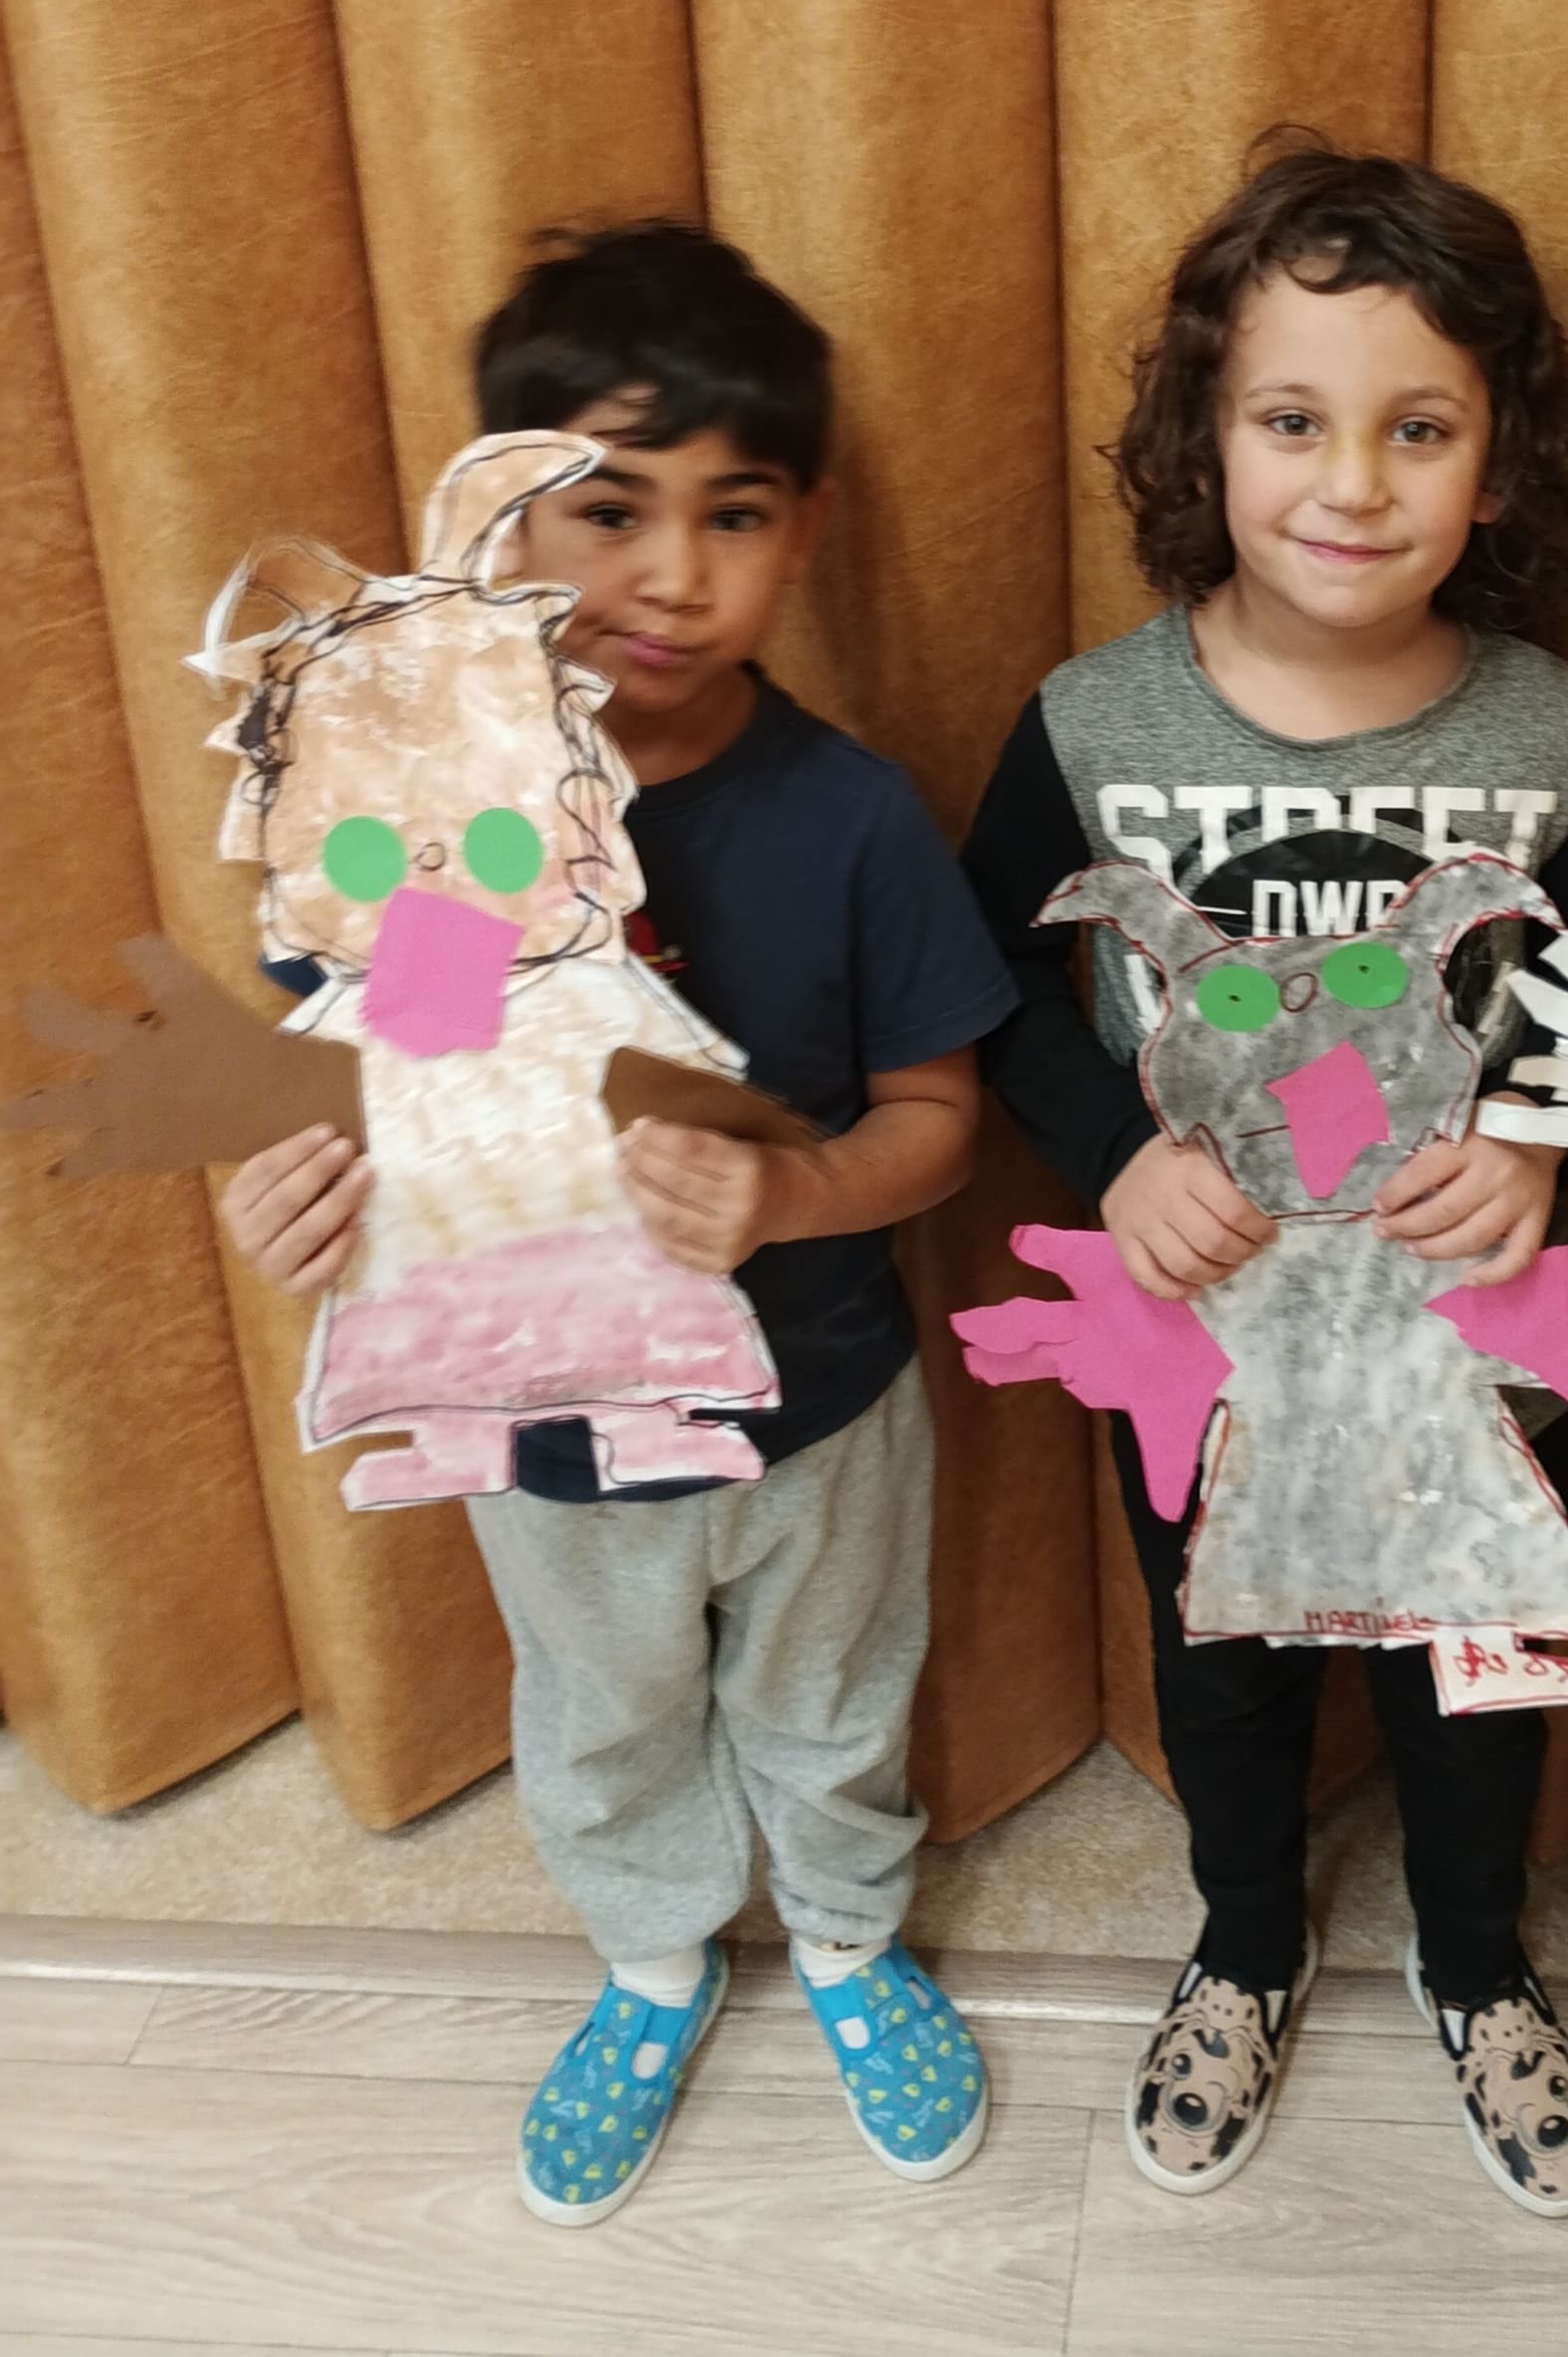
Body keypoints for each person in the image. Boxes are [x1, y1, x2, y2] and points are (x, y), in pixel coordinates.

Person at [220, 224, 1015, 2221]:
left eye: (731, 514)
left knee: (830, 1699)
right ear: (500, 523)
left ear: (803, 531)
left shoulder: (847, 817)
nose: (670, 574)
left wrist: (795, 1191)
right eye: (609, 509)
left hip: (822, 1402)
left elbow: (939, 1120)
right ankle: (654, 1959)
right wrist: (309, 1197)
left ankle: (848, 1939)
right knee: (602, 1713)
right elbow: (385, 1089)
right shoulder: (417, 826)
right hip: (539, 1425)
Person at [964, 136, 1568, 2218]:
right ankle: (1244, 1943)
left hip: (1469, 1334)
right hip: (1203, 1334)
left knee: (1477, 1667)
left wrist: (1539, 1138)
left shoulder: (1549, 726)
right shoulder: (1092, 718)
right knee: (1223, 1659)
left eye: (1416, 427)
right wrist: (1112, 1156)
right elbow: (978, 973)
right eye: (1292, 420)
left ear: (1498, 462)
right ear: (1205, 437)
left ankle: (1477, 1961)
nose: (1352, 483)